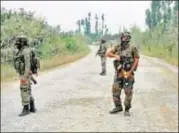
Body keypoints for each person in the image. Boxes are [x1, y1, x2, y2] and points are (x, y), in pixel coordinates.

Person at [105, 32, 140, 116]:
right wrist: (115, 56)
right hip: (119, 73)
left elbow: (136, 60)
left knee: (128, 92)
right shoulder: (118, 47)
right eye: (124, 37)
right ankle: (118, 107)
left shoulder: (133, 48)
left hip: (128, 73)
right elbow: (108, 54)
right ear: (121, 38)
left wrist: (130, 71)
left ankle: (127, 109)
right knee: (115, 90)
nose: (125, 39)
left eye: (127, 38)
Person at [13, 35, 37, 116]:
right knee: (28, 90)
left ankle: (26, 109)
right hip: (25, 73)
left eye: (19, 41)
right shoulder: (22, 50)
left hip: (25, 73)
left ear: (23, 42)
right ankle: (32, 107)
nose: (17, 43)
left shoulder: (25, 51)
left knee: (24, 90)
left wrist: (25, 76)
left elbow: (27, 65)